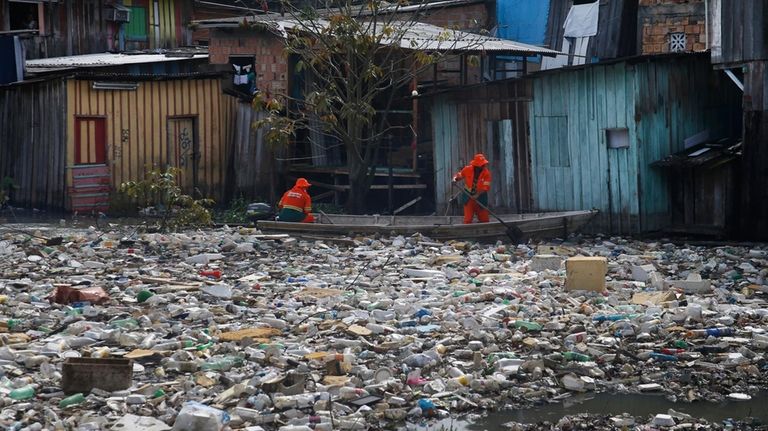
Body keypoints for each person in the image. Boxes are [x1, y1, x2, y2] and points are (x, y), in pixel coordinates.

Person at [453, 153, 491, 224]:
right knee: (468, 220)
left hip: (481, 198)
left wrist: (477, 194)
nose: (484, 166)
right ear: (476, 166)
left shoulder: (486, 173)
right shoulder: (467, 169)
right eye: (482, 165)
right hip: (468, 197)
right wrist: (454, 179)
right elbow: (459, 175)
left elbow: (486, 187)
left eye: (484, 165)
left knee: (484, 220)